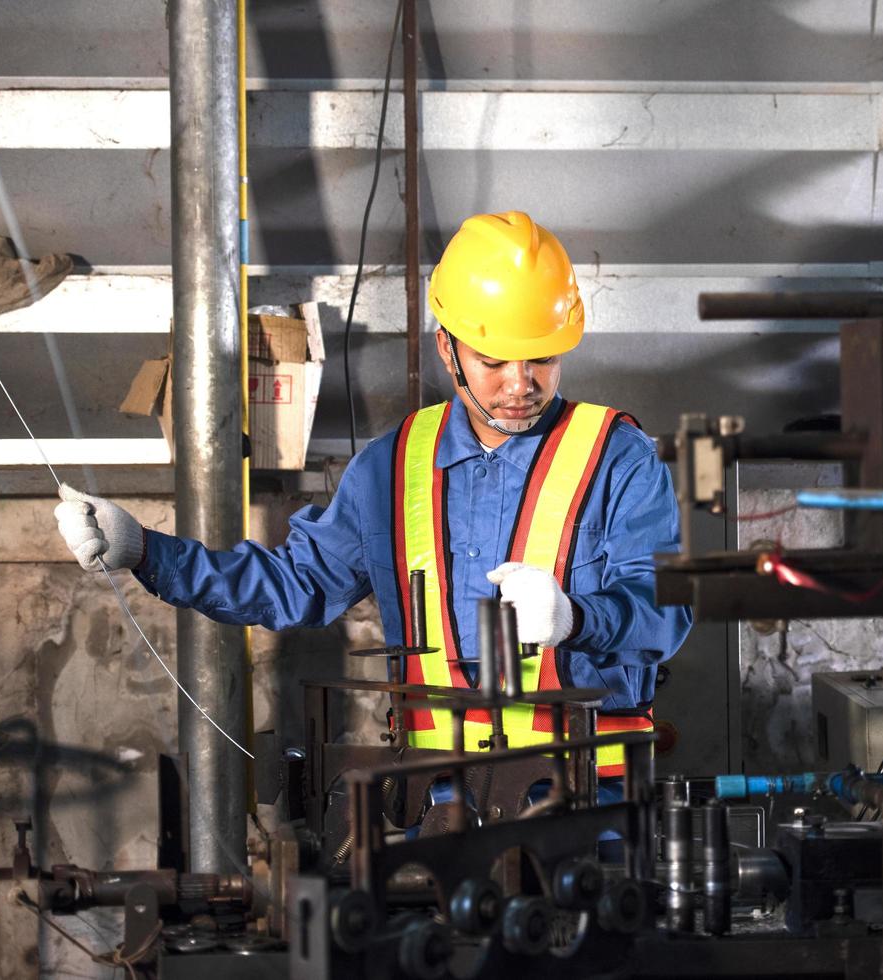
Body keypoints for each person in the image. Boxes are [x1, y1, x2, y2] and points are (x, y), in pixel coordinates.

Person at [54, 210, 691, 779]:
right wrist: (145, 552)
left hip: (591, 804)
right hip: (435, 802)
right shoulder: (391, 466)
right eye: (495, 360)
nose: (520, 383)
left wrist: (575, 618)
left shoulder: (618, 457)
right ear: (448, 347)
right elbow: (297, 587)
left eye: (542, 358)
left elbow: (669, 611)